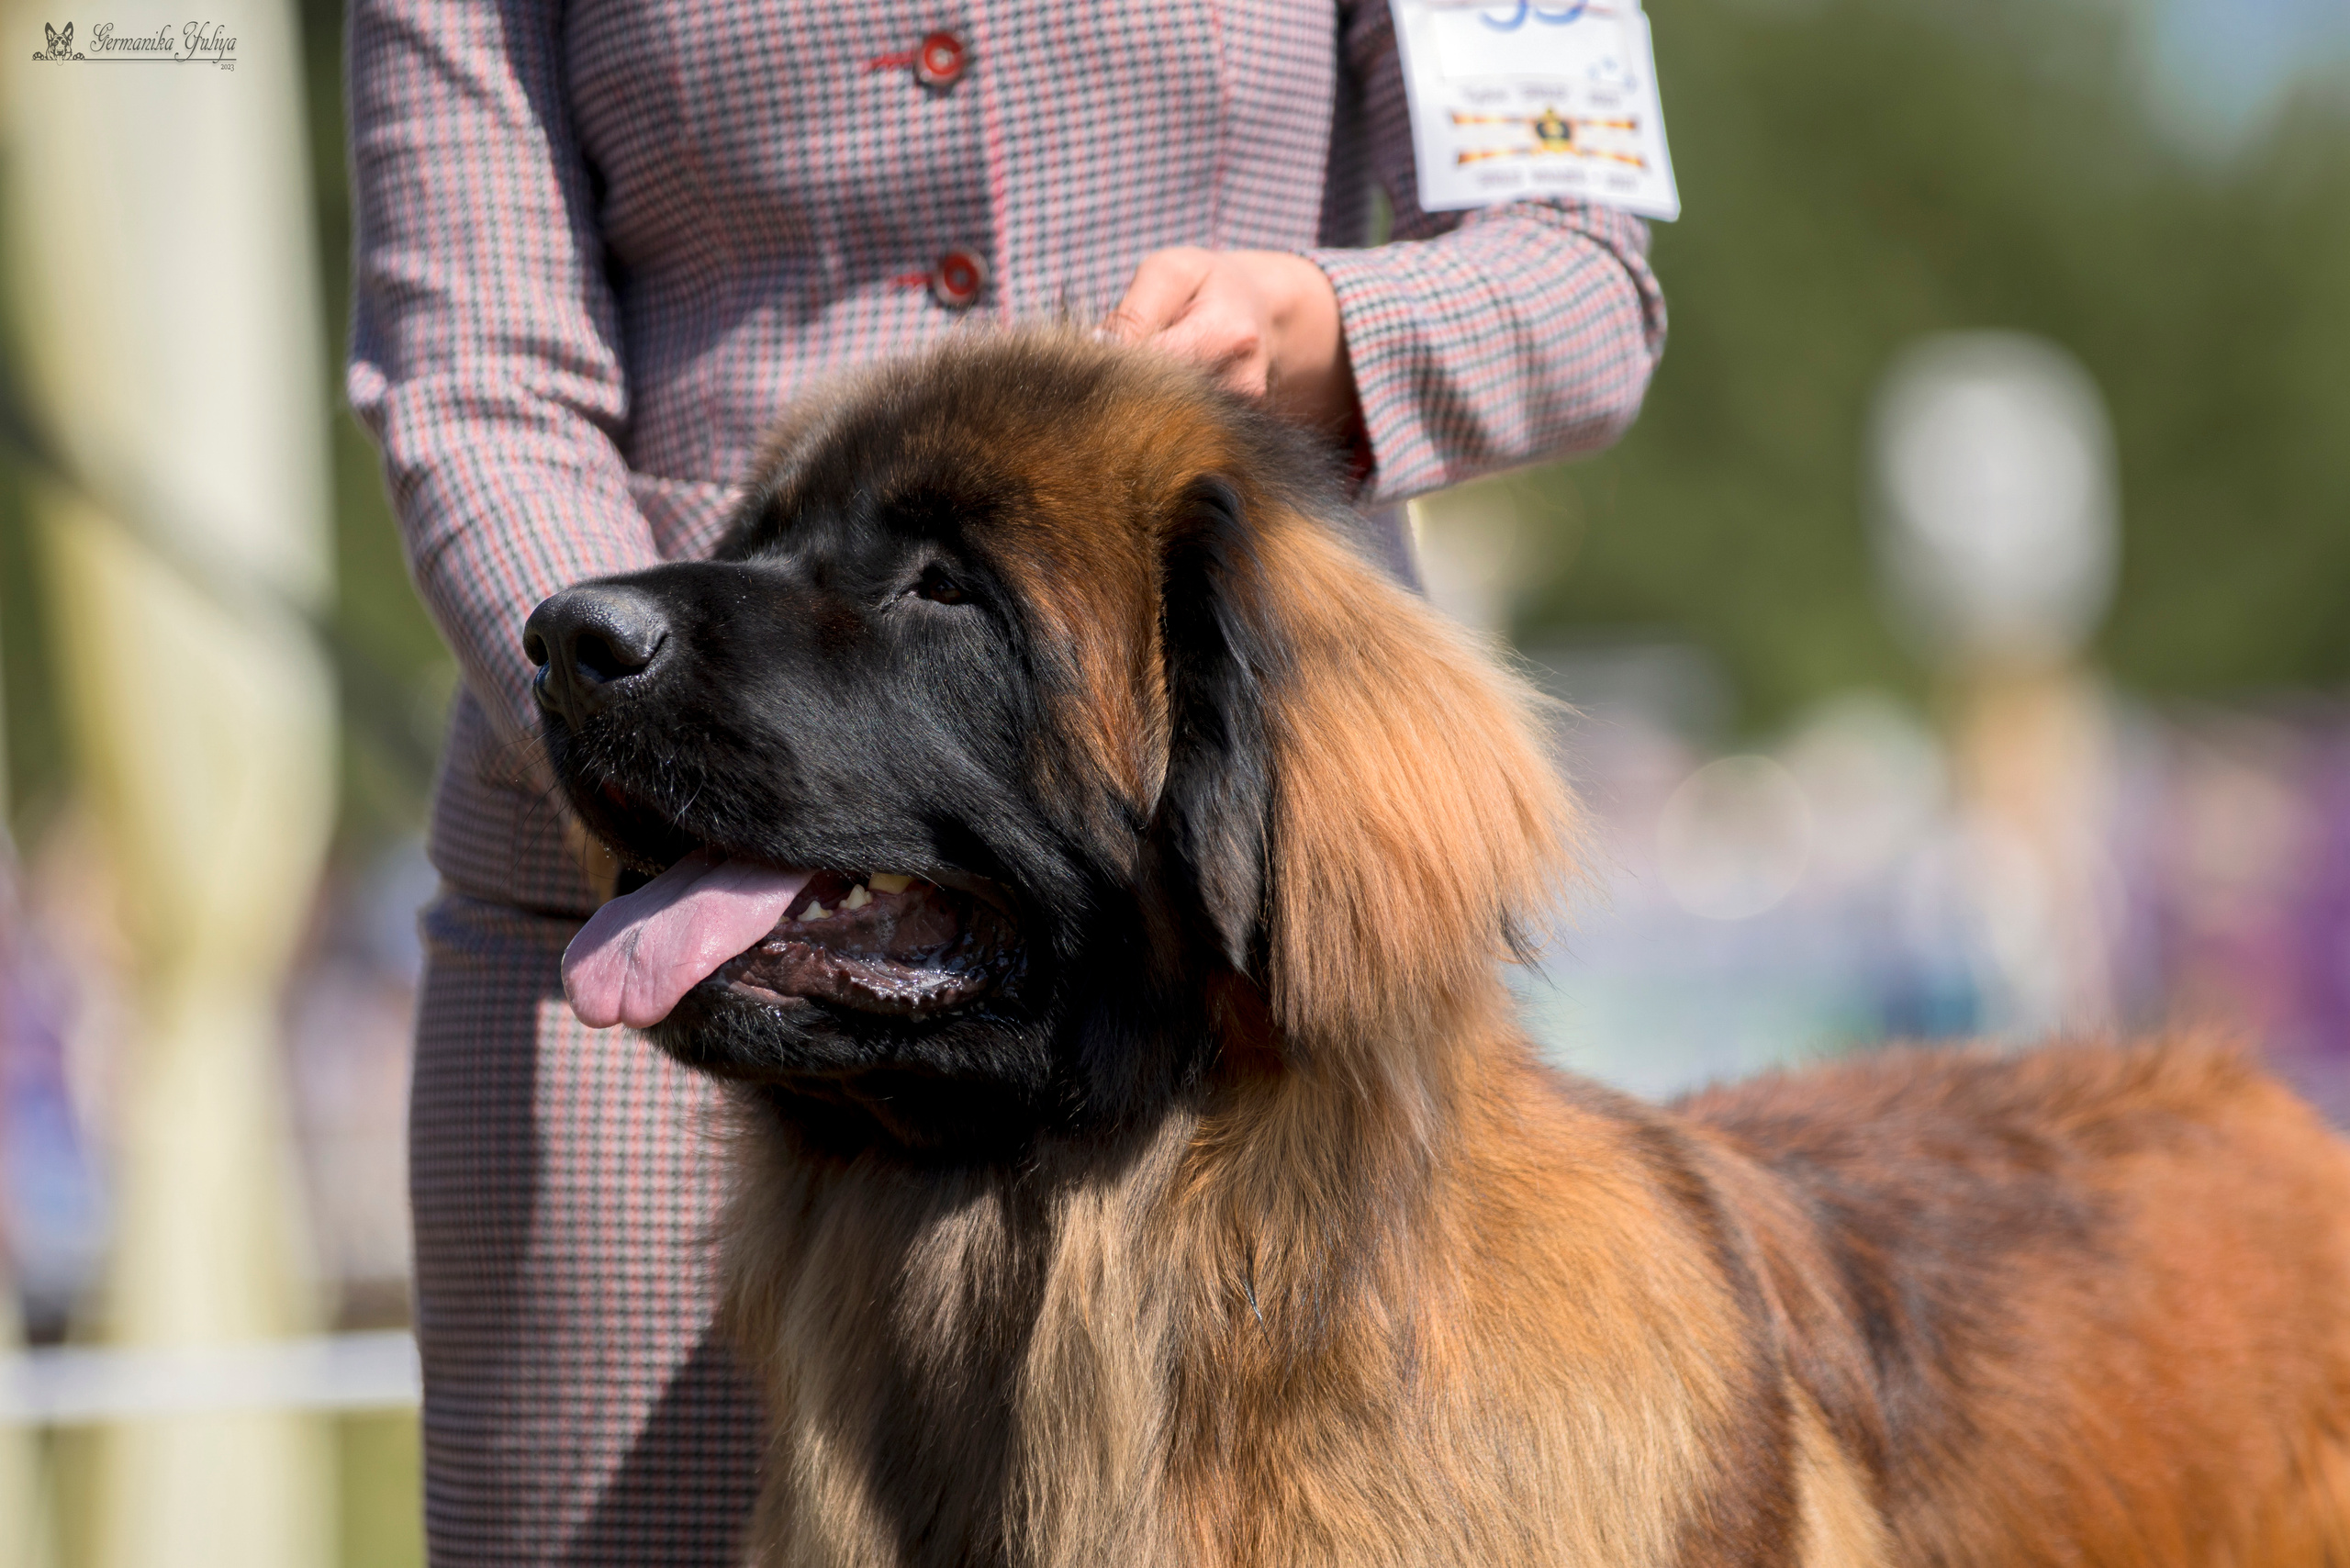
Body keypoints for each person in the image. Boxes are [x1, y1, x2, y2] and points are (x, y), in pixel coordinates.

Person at [347, 2, 1666, 1560]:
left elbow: (1583, 273)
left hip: (1216, 981)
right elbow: (475, 389)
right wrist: (668, 758)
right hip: (631, 971)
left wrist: (1310, 324)